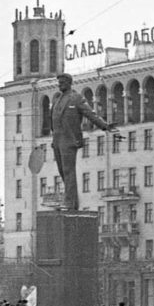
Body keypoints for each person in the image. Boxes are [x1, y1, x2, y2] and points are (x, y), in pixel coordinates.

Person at [50, 72, 116, 210]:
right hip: (57, 141)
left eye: (62, 82)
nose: (59, 85)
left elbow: (90, 114)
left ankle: (69, 203)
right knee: (62, 172)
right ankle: (73, 203)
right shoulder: (57, 100)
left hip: (69, 140)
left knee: (69, 171)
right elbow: (54, 119)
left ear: (69, 83)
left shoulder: (76, 98)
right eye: (58, 82)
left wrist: (105, 125)